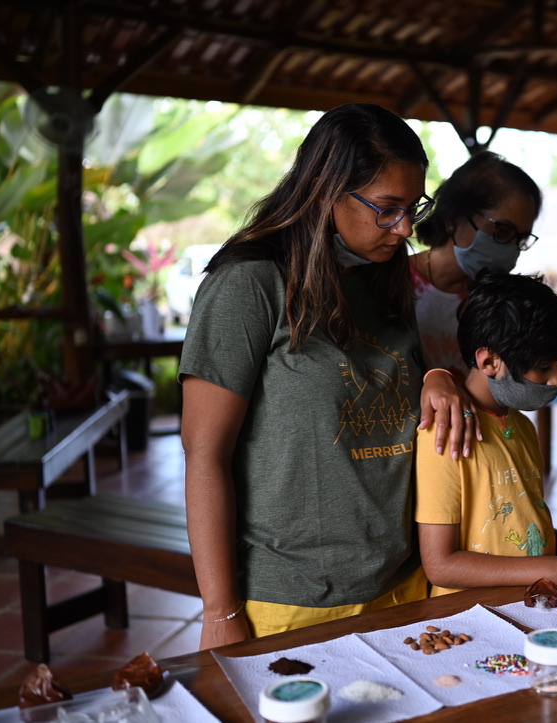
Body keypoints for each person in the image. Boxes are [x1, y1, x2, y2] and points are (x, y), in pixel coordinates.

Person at [179, 103, 479, 651]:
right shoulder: (249, 284)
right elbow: (204, 454)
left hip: (403, 582)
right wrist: (220, 613)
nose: (405, 228)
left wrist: (437, 373)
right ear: (325, 191)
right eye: (387, 209)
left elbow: (396, 382)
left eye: (414, 207)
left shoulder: (383, 274)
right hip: (293, 599)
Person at [415, 270, 557, 595]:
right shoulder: (445, 431)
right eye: (544, 367)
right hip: (471, 617)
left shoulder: (521, 426)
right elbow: (441, 566)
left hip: (527, 604)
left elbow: (527, 534)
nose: (556, 380)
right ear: (490, 361)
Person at [410, 151, 543, 374]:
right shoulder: (389, 282)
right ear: (452, 219)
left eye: (520, 239)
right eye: (501, 231)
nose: (511, 248)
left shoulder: (497, 306)